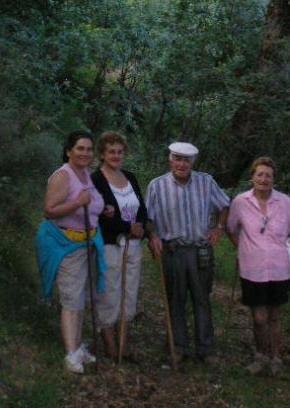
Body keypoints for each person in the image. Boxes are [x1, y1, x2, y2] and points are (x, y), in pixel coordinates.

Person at [226, 156, 290, 375]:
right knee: (259, 318)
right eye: (260, 174)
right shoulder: (240, 202)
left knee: (275, 316)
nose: (263, 179)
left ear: (273, 179)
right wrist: (241, 247)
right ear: (252, 177)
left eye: (268, 175)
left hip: (279, 269)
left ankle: (276, 358)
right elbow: (230, 228)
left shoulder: (284, 202)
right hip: (252, 269)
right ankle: (260, 357)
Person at [35, 130, 112, 374]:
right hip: (66, 245)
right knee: (71, 300)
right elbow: (49, 210)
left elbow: (89, 203)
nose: (85, 153)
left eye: (89, 149)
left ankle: (78, 347)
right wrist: (78, 203)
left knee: (79, 298)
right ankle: (70, 354)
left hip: (86, 244)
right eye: (80, 148)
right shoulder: (63, 176)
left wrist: (103, 209)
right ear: (69, 151)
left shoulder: (85, 174)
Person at [146, 142, 230, 364]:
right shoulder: (157, 185)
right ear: (170, 160)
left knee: (202, 299)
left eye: (186, 160)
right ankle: (178, 346)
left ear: (192, 162)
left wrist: (218, 228)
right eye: (177, 159)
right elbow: (148, 218)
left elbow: (224, 204)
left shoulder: (206, 182)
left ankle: (205, 348)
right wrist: (152, 236)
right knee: (175, 299)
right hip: (172, 250)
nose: (181, 164)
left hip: (200, 251)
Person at [91, 131, 147, 361]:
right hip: (110, 245)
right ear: (102, 154)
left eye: (120, 151)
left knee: (129, 293)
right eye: (111, 152)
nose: (116, 155)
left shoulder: (130, 177)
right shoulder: (96, 180)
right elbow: (99, 215)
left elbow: (141, 208)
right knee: (109, 293)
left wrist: (141, 226)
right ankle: (110, 346)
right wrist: (126, 226)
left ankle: (123, 344)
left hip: (133, 245)